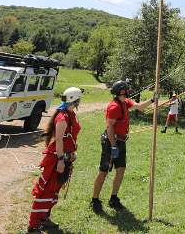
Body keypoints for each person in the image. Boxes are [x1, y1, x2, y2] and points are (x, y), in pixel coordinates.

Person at [91, 80, 155, 213]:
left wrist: (152, 100)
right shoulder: (114, 107)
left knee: (120, 169)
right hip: (111, 142)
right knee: (104, 171)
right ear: (122, 91)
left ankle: (113, 198)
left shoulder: (125, 102)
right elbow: (109, 128)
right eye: (126, 89)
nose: (128, 91)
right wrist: (113, 146)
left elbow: (139, 106)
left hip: (121, 141)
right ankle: (95, 200)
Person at [28, 87, 83, 233]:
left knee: (54, 190)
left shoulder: (70, 114)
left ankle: (44, 219)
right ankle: (33, 226)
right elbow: (59, 140)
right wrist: (60, 160)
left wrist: (71, 153)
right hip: (56, 159)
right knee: (46, 191)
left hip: (65, 157)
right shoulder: (63, 117)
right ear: (75, 100)